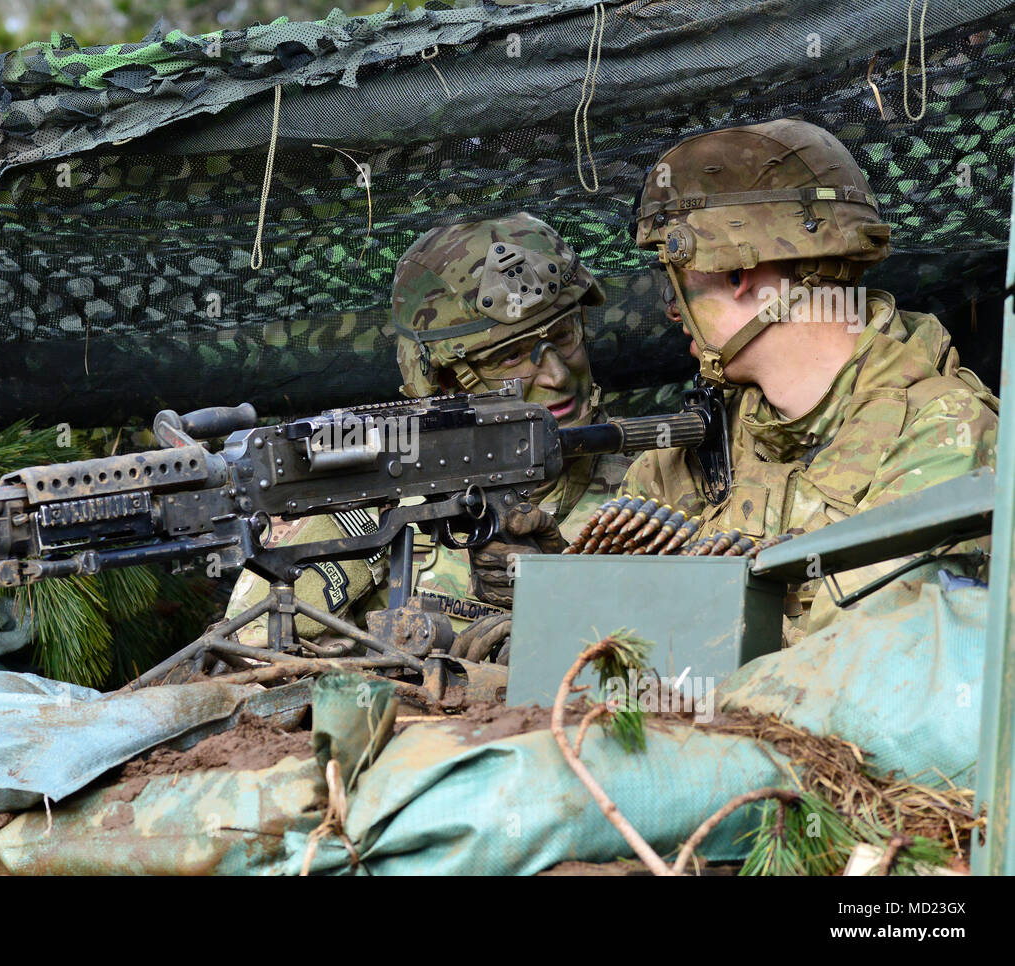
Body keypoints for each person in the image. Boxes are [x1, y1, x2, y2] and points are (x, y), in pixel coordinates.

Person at [617, 117, 998, 640]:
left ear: (737, 273)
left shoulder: (945, 437)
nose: (673, 310)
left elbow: (867, 661)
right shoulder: (685, 458)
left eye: (675, 279)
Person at [219, 212, 631, 661]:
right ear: (445, 383)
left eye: (563, 335)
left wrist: (559, 601)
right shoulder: (384, 496)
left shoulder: (659, 486)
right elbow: (248, 655)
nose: (556, 374)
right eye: (510, 358)